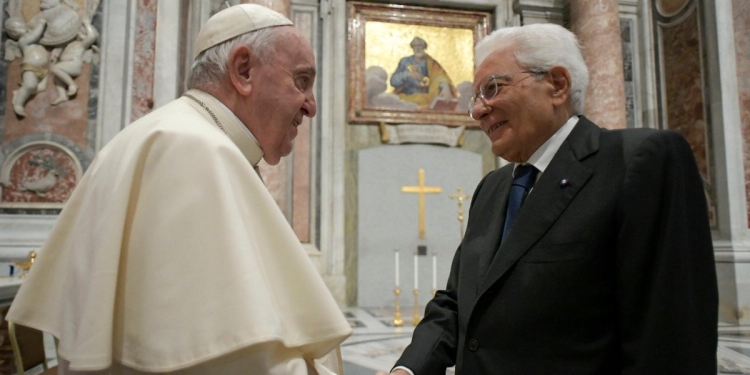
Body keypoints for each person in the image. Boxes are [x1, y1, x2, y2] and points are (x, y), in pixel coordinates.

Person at [5, 4, 351, 374]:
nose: (311, 106)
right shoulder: (192, 151)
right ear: (244, 70)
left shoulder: (168, 135)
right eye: (302, 81)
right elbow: (230, 359)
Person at [389, 23, 718, 374]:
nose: (479, 111)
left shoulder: (639, 162)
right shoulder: (494, 188)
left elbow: (670, 337)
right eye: (475, 98)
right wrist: (408, 369)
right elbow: (459, 302)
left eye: (493, 88)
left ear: (557, 85)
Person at [390, 37, 457, 110]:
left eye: (420, 45)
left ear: (424, 47)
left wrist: (445, 87)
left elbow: (439, 75)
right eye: (415, 46)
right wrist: (407, 74)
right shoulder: (405, 62)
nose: (418, 48)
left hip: (426, 99)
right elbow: (393, 81)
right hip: (407, 98)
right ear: (412, 48)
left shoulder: (431, 62)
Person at [4, 16, 49, 117]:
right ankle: (18, 104)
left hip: (44, 68)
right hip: (30, 67)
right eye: (17, 28)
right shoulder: (23, 40)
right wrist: (41, 23)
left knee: (40, 87)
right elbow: (35, 35)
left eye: (21, 24)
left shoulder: (36, 41)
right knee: (30, 85)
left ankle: (19, 93)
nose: (22, 27)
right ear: (14, 34)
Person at [50, 17, 98, 105]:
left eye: (81, 32)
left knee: (56, 68)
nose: (78, 34)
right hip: (66, 64)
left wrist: (86, 24)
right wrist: (55, 54)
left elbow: (92, 36)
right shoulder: (71, 43)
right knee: (57, 78)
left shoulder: (82, 45)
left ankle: (72, 85)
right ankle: (62, 95)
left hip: (73, 64)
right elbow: (62, 45)